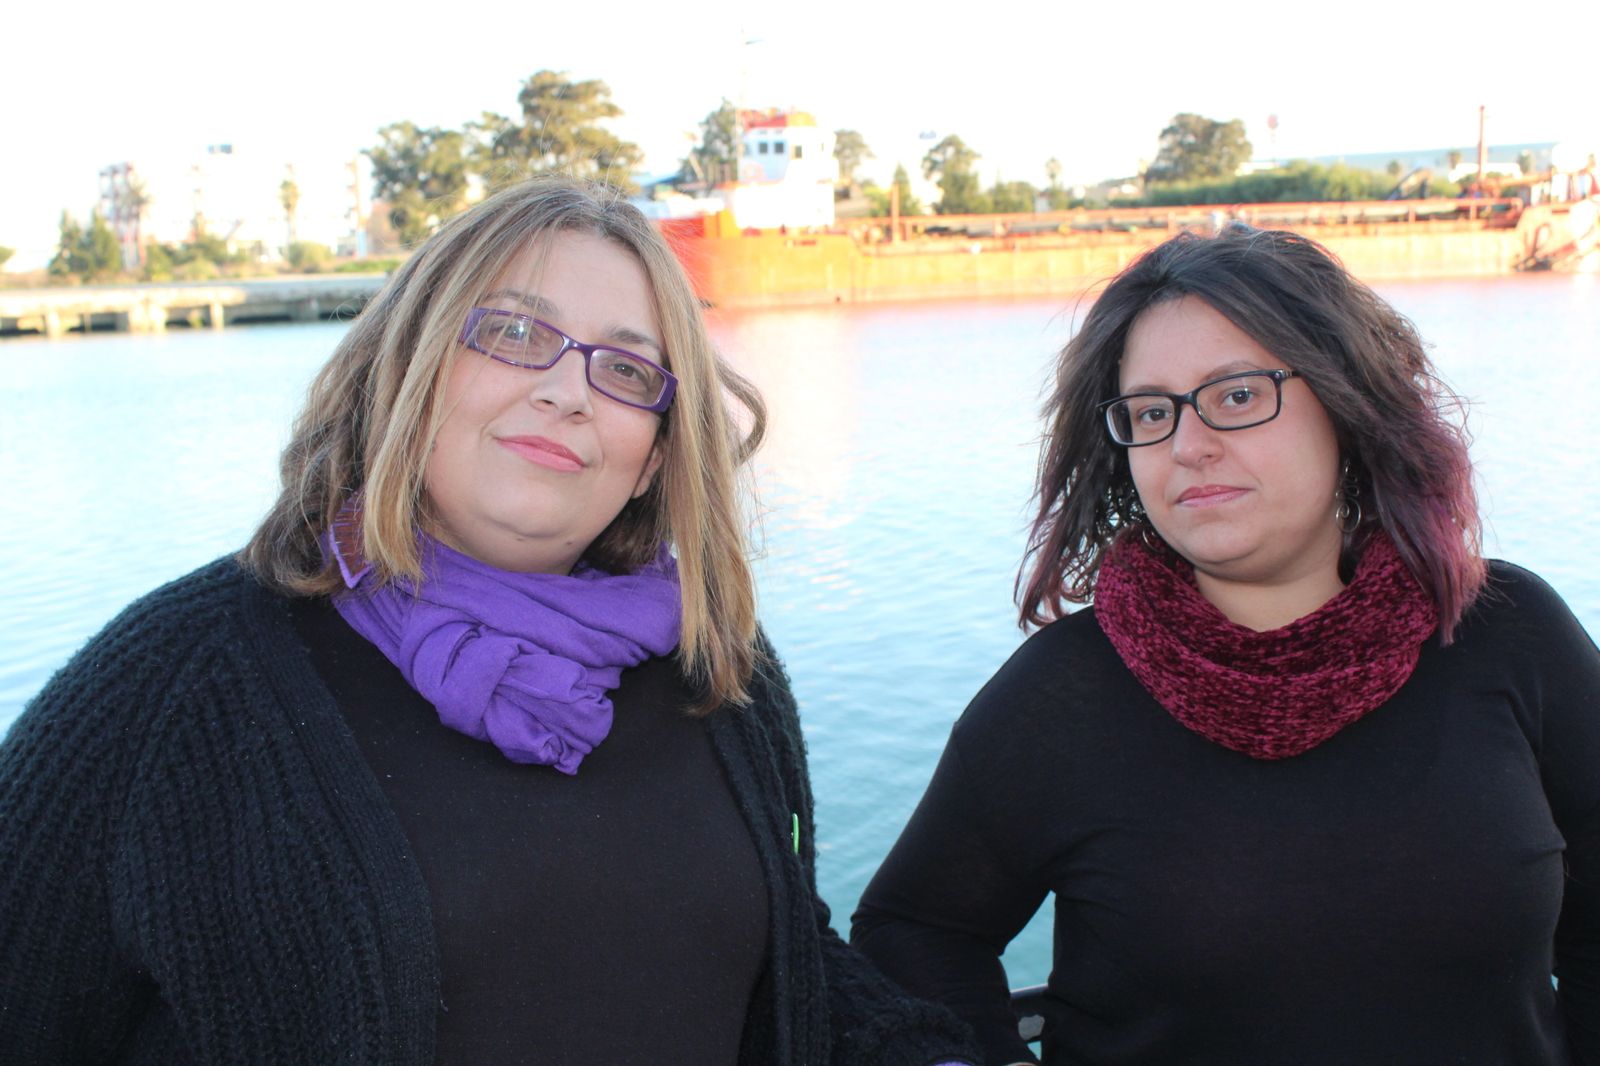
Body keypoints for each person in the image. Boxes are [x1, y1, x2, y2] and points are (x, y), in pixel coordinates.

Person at [0, 175, 978, 1066]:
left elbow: (787, 956)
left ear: (652, 454)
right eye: (513, 333)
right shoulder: (180, 681)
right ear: (407, 371)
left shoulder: (720, 668)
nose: (567, 391)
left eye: (627, 372)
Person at [852, 225, 1600, 1065]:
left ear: (1345, 403)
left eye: (1238, 395)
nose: (1187, 442)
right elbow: (913, 933)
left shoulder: (1506, 632)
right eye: (1150, 412)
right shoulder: (1065, 693)